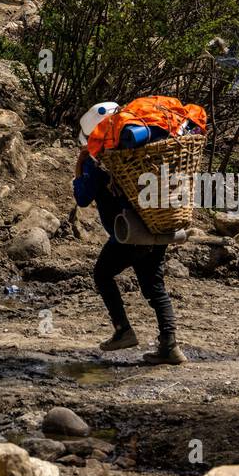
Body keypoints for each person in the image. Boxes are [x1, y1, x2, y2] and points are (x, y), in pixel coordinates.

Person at [73, 102, 185, 365]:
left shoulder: (100, 161)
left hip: (129, 232)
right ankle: (170, 346)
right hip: (156, 225)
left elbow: (82, 198)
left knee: (102, 274)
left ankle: (123, 331)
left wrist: (79, 168)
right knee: (154, 286)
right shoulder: (145, 154)